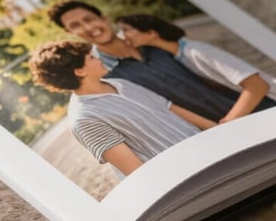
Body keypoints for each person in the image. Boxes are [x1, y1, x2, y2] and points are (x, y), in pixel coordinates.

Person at [47, 0, 276, 121]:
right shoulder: (105, 75)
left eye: (89, 19)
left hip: (260, 110)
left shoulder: (154, 42)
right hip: (218, 136)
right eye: (76, 25)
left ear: (104, 18)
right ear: (71, 33)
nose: (87, 27)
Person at [29, 40, 216, 176]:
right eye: (91, 57)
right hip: (182, 176)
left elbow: (168, 107)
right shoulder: (85, 119)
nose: (98, 58)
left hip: (208, 153)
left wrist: (216, 130)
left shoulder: (120, 83)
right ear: (80, 71)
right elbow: (135, 171)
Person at [116, 12, 276, 123]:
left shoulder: (197, 51)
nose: (122, 36)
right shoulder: (176, 58)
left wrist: (229, 121)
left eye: (126, 30)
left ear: (151, 33)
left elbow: (257, 85)